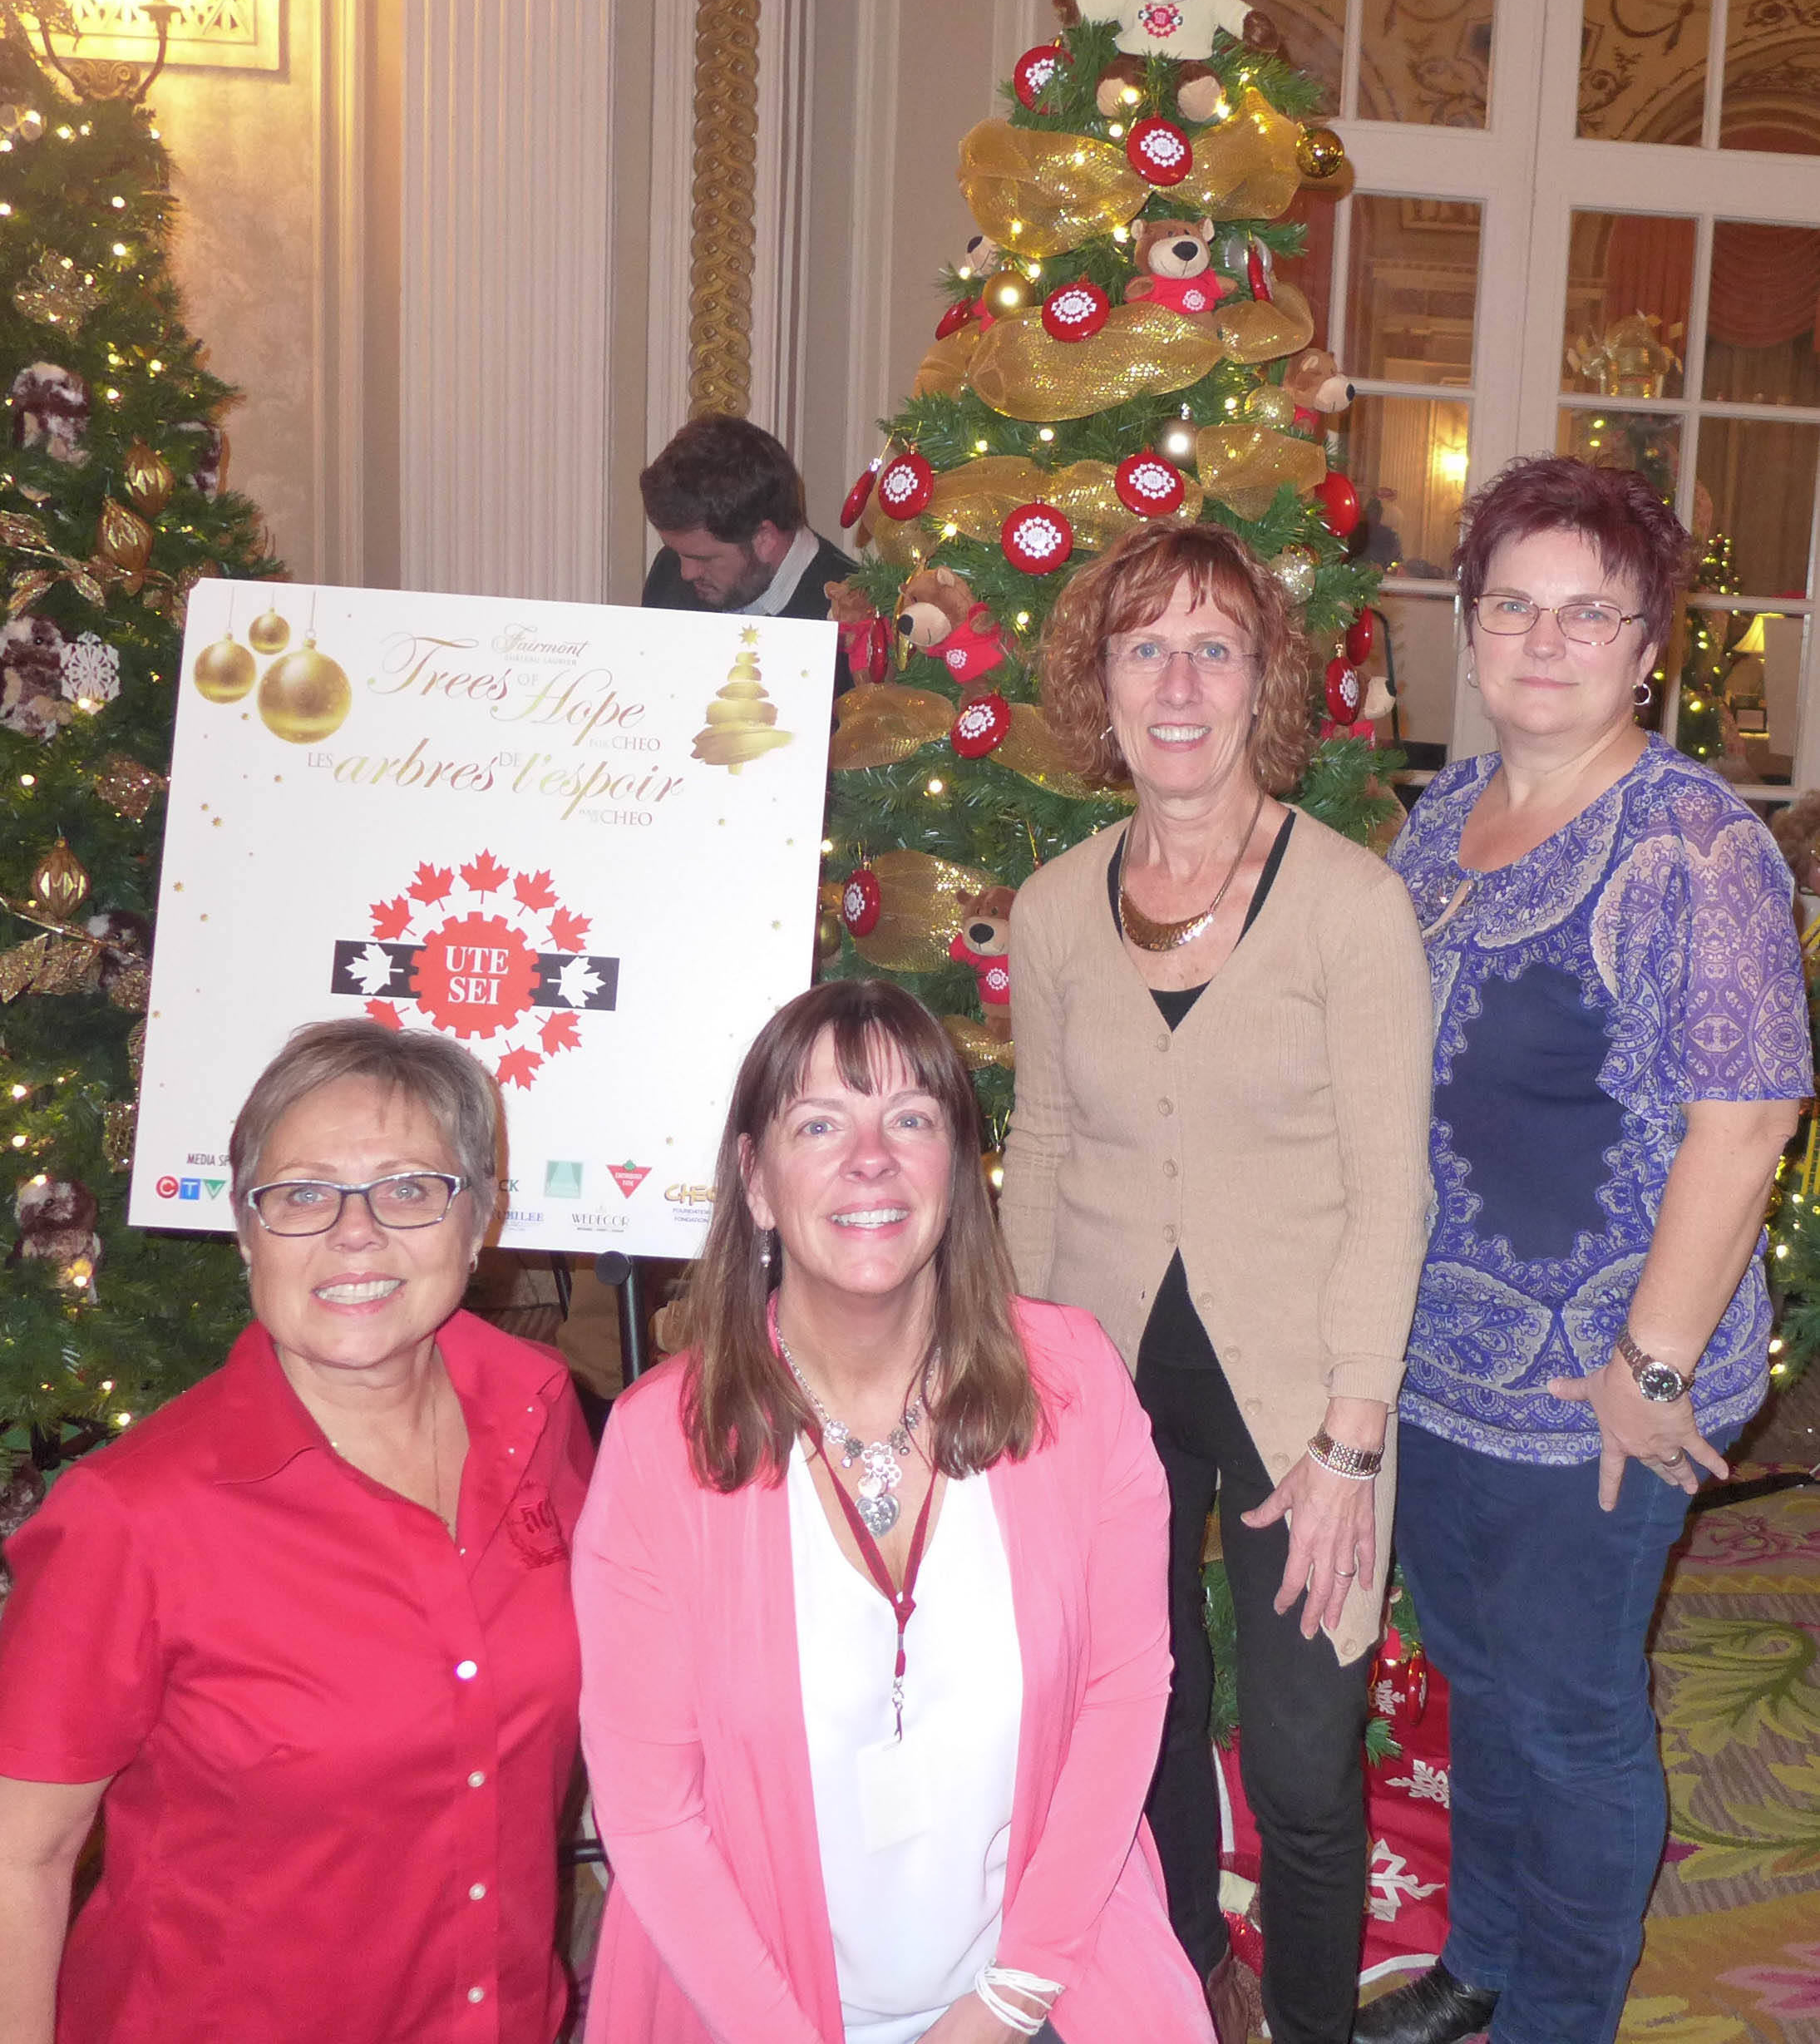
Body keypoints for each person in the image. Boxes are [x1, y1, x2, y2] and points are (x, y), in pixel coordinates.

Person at [1359, 456, 1813, 2044]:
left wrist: (1647, 1367)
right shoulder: (1434, 829)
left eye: (1587, 611)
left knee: (1568, 1718)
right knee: (1482, 1684)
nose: (1541, 640)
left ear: (1644, 646)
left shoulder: (1695, 848)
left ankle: (1558, 2012)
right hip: (1437, 1365)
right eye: (1510, 606)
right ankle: (1479, 1957)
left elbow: (1744, 1123)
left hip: (1602, 1384)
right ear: (1467, 630)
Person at [572, 978, 1213, 2044]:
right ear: (757, 1183)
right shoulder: (657, 1444)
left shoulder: (1075, 1381)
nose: (869, 1157)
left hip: (1042, 1981)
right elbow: (648, 1811)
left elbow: (1120, 1696)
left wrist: (1010, 2001)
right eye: (818, 1123)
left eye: (910, 1119)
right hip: (743, 2009)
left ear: (958, 1173)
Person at [999, 521, 1433, 2044]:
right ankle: (1186, 1982)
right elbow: (1040, 1148)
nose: (1175, 682)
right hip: (1102, 1382)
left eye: (1212, 647)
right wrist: (1013, 1389)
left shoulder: (1346, 908)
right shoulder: (1054, 909)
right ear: (1097, 684)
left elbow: (1394, 1185)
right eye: (1141, 647)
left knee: (1307, 1763)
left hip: (1303, 1397)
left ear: (1264, 683)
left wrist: (1348, 1442)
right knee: (1144, 1715)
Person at [0, 1020, 594, 2044]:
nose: (353, 1233)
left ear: (480, 1220)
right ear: (244, 1232)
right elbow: (22, 1856)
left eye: (410, 1189)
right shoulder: (131, 1519)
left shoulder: (541, 1415)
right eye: (302, 1194)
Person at [639, 412, 854, 669]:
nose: (685, 573)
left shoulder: (856, 612)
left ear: (764, 539)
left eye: (703, 559)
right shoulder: (668, 572)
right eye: (677, 552)